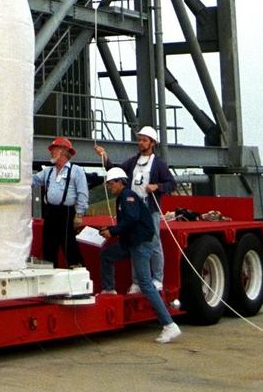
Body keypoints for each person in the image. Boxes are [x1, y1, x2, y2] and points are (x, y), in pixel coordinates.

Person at [101, 167, 181, 343]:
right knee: (107, 255)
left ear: (120, 182)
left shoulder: (127, 197)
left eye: (111, 183)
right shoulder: (124, 197)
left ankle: (169, 325)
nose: (109, 187)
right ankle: (109, 290)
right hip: (132, 243)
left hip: (139, 244)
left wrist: (112, 231)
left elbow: (131, 220)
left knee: (145, 284)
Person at [95, 125, 174, 290]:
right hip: (133, 207)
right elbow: (117, 171)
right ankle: (137, 281)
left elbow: (171, 183)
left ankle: (158, 278)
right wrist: (105, 158)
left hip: (149, 208)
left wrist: (157, 187)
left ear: (152, 143)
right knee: (134, 242)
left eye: (144, 140)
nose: (141, 143)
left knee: (154, 242)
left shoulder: (159, 164)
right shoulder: (133, 162)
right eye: (140, 140)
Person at [32, 136, 89, 268]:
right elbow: (33, 179)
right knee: (48, 246)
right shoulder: (48, 171)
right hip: (50, 212)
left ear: (63, 151)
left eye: (54, 149)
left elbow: (83, 193)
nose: (51, 152)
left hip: (67, 213)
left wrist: (79, 214)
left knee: (69, 245)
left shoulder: (76, 171)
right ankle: (50, 274)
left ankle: (78, 273)